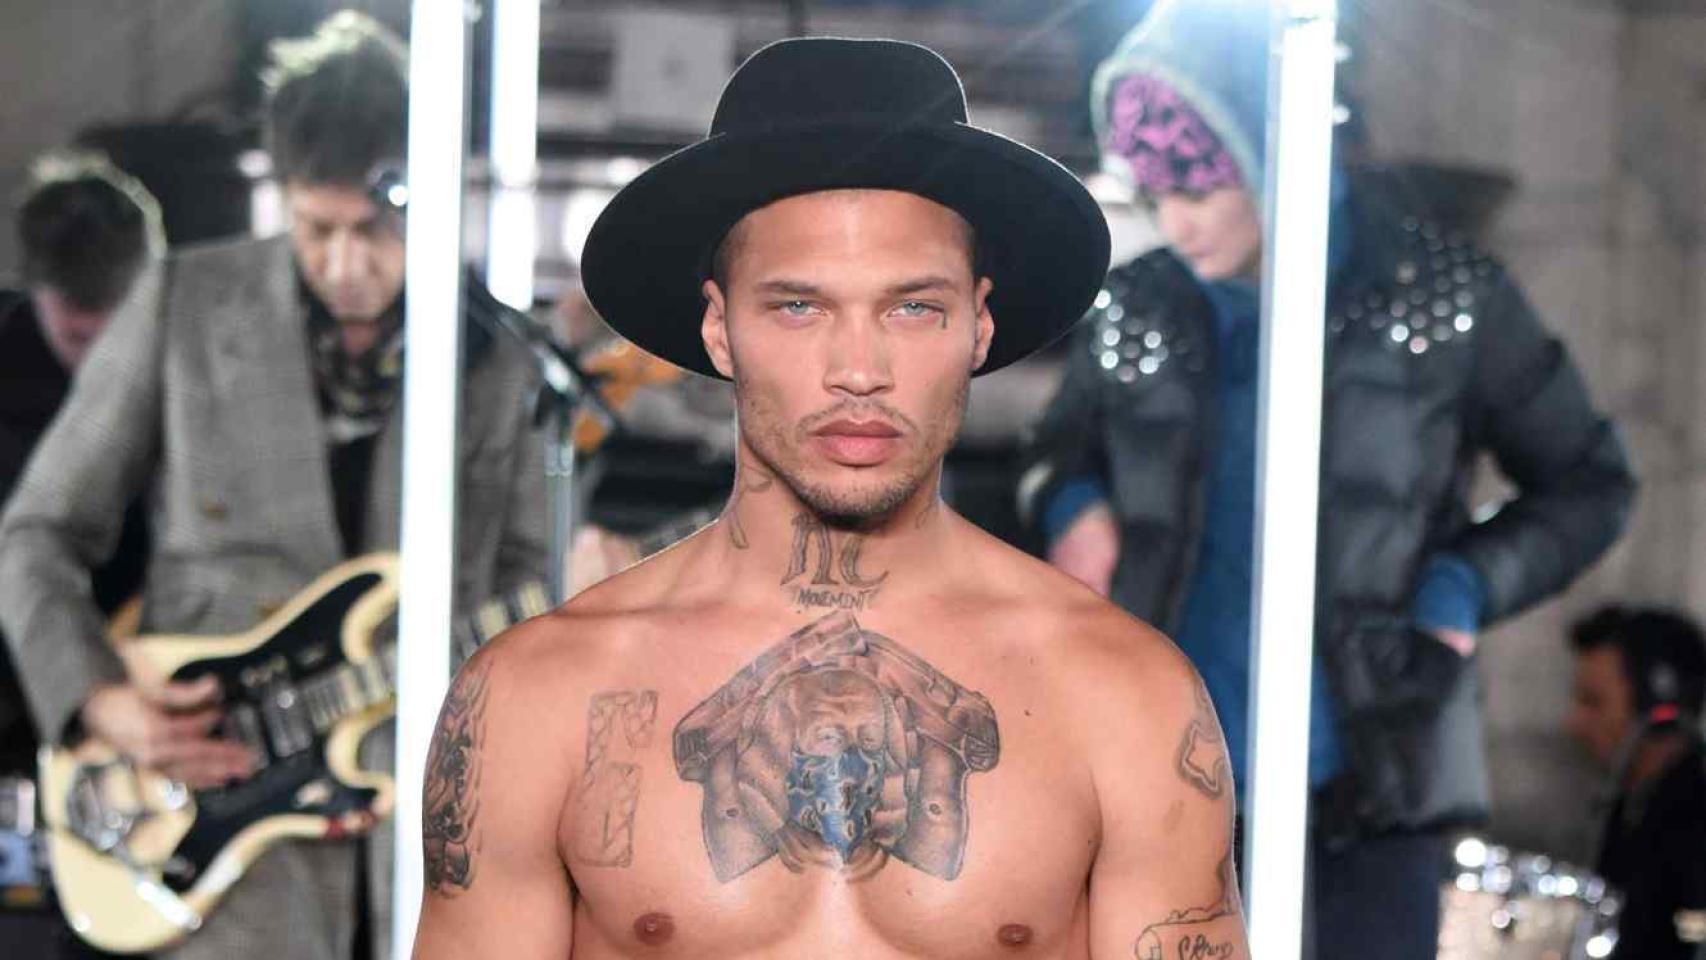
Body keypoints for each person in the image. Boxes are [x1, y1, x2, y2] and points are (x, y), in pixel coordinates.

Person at [411, 37, 1250, 960]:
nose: (859, 369)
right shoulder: (538, 697)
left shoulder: (1124, 696)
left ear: (979, 325)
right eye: (799, 307)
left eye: (913, 308)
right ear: (719, 329)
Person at [1019, 1, 1635, 957]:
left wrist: (1463, 585)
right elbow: (1052, 454)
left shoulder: (1446, 299)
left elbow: (1591, 484)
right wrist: (1073, 507)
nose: (1176, 223)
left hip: (1378, 763)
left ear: (1270, 153)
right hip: (1163, 766)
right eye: (1155, 193)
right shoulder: (1136, 304)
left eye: (1200, 189)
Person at [0, 12, 547, 960]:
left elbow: (525, 581)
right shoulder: (185, 304)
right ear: (281, 197)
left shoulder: (493, 357)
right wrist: (96, 698)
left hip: (414, 834)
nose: (344, 264)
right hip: (214, 833)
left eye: (372, 230)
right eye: (314, 229)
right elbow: (37, 532)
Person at [0, 152, 160, 960]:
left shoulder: (183, 356)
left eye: (114, 330)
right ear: (35, 293)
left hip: (148, 688)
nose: (98, 356)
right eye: (75, 332)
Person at [1566, 606, 1706, 959]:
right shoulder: (1630, 808)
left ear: (1657, 705)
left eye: (1594, 703)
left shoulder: (1693, 817)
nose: (1575, 723)